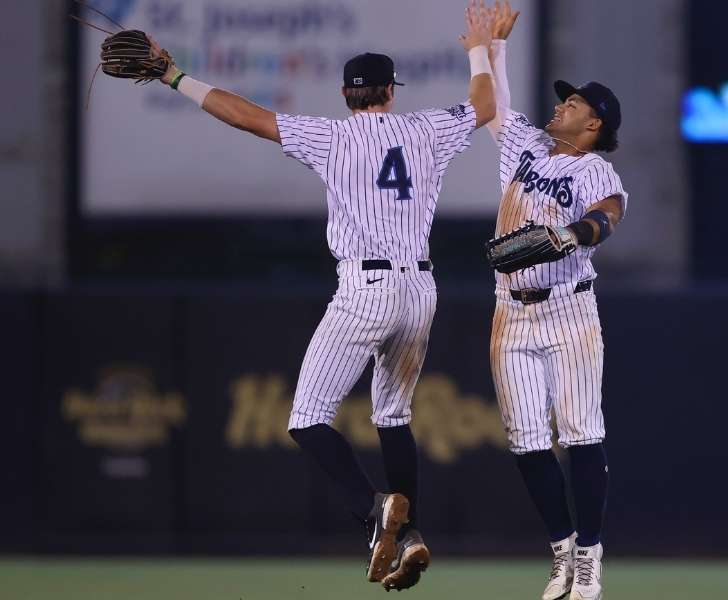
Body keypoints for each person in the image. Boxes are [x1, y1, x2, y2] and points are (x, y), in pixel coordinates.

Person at [147, 4, 495, 591]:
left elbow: (246, 116)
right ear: (390, 90)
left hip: (366, 287)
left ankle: (375, 513)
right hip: (420, 289)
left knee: (308, 419)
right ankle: (411, 535)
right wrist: (479, 49)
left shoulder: (331, 135)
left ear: (345, 93)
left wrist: (175, 77)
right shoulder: (426, 128)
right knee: (394, 416)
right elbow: (486, 107)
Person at [484, 3, 628, 599]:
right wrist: (491, 49)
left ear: (593, 125)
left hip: (569, 308)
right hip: (511, 311)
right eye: (563, 99)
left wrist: (573, 234)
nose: (562, 105)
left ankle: (590, 561)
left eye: (574, 104)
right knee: (526, 442)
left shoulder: (592, 167)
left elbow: (610, 212)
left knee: (581, 433)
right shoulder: (524, 143)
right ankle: (563, 552)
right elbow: (495, 103)